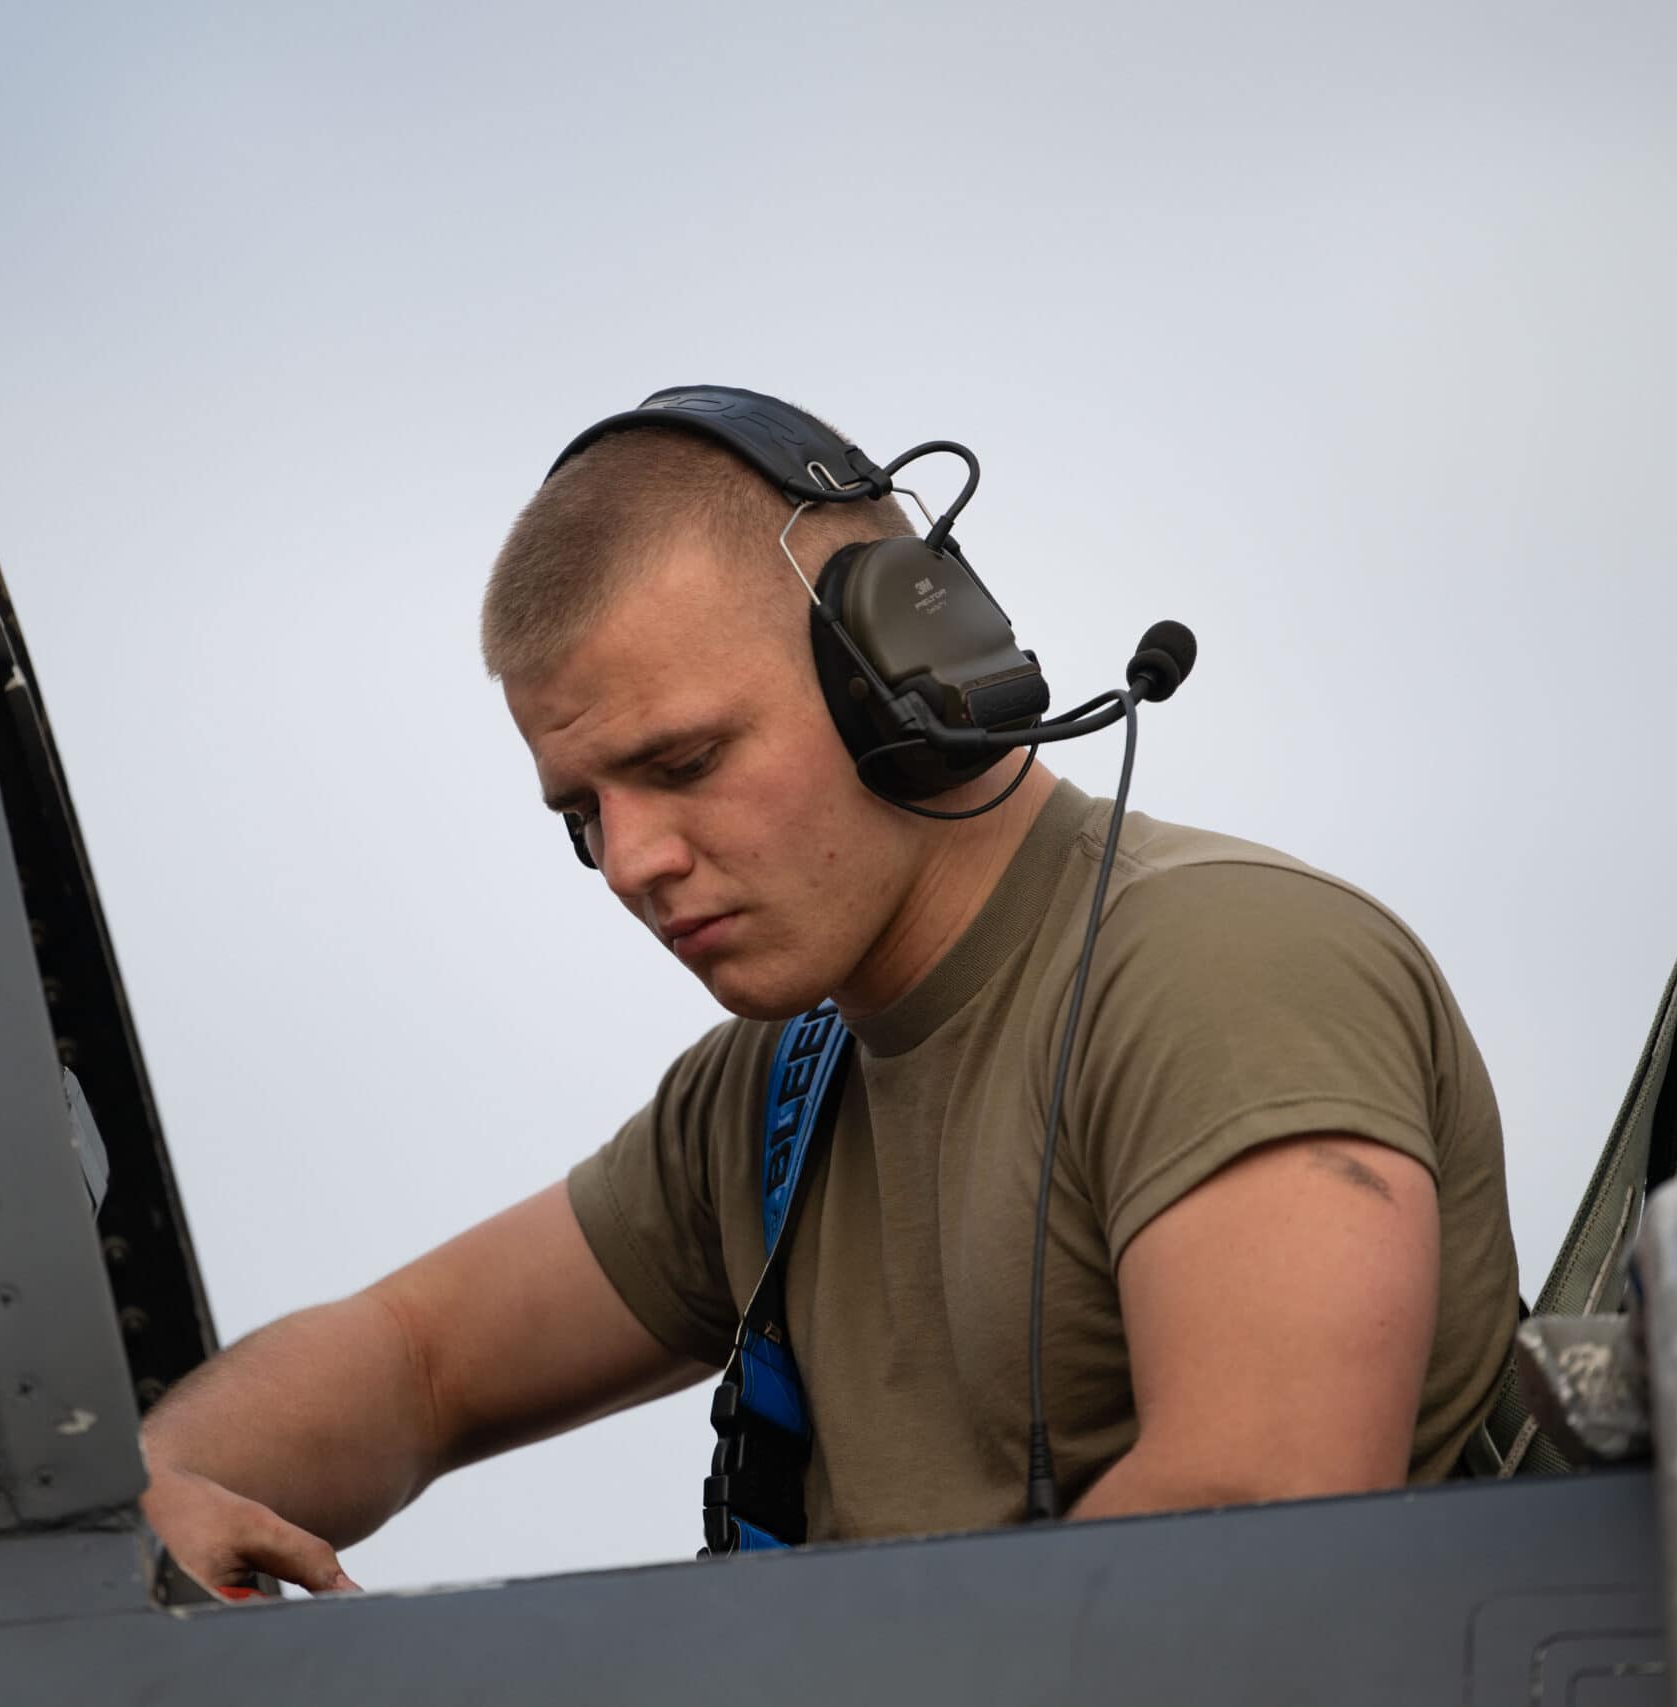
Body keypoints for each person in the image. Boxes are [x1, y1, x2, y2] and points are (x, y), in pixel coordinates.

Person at [139, 393, 1520, 1595]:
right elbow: (413, 1360)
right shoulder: (771, 1101)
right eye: (582, 814)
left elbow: (1260, 1539)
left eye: (682, 766)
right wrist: (138, 1504)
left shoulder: (1223, 972)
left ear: (901, 678)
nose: (631, 863)